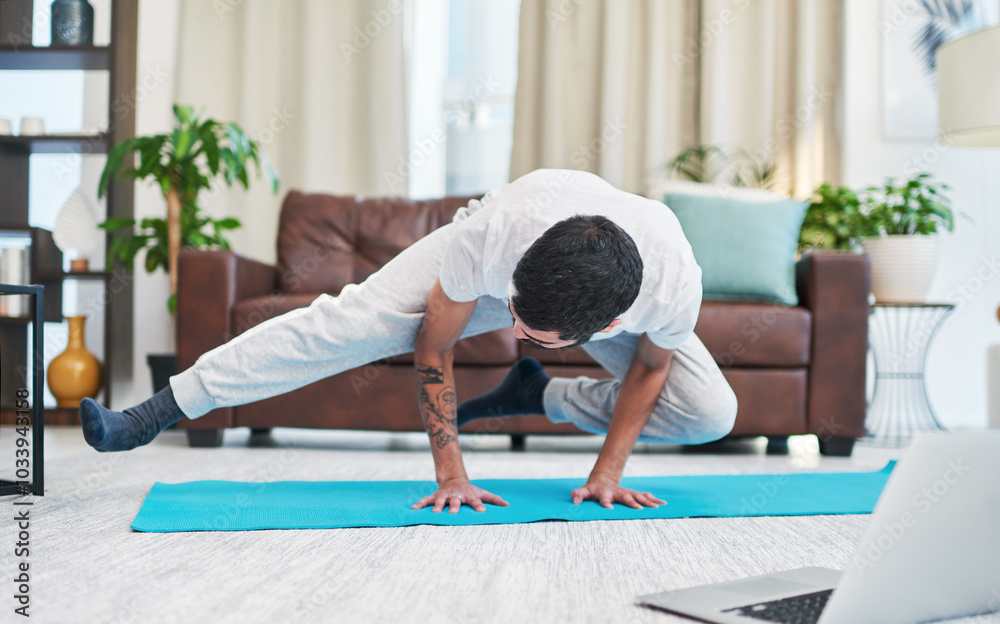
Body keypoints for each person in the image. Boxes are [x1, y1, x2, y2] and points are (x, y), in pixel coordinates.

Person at [79, 168, 737, 514]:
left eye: (529, 335)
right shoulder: (498, 239)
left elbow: (651, 369)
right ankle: (154, 411)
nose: (508, 332)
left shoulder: (674, 283)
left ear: (606, 331)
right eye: (511, 313)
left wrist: (607, 473)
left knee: (711, 413)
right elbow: (434, 348)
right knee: (348, 322)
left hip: (599, 290)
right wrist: (452, 474)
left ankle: (545, 394)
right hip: (494, 249)